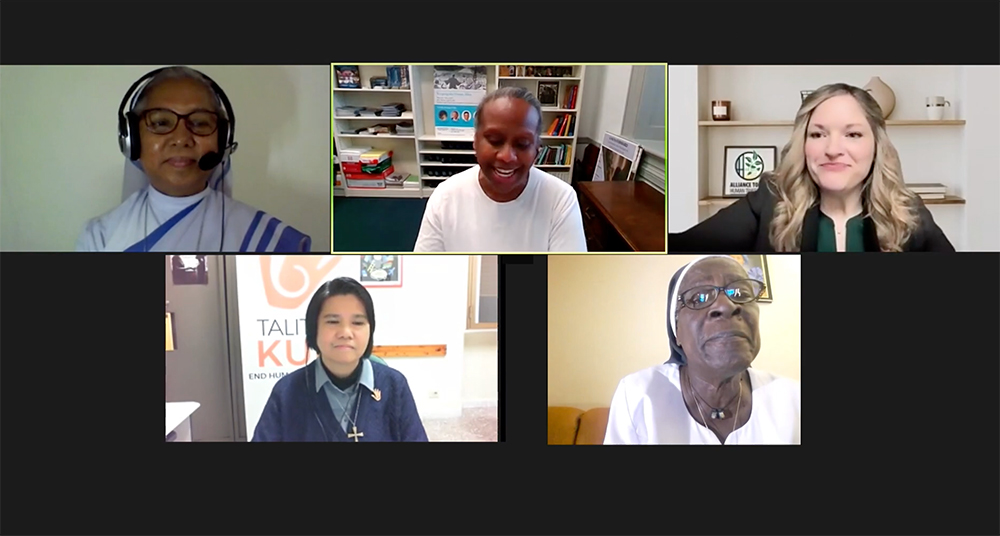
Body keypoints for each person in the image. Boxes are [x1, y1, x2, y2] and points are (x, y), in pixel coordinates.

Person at [668, 83, 954, 252]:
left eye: (852, 134)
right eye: (817, 134)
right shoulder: (770, 199)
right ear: (803, 145)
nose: (832, 149)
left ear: (877, 145)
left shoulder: (908, 211)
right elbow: (677, 249)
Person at [76, 66, 311, 252]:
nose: (181, 139)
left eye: (199, 123)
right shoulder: (100, 236)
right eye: (160, 123)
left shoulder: (267, 239)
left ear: (223, 140)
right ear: (132, 139)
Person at [605, 256, 800, 444]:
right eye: (699, 297)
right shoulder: (638, 394)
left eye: (740, 293)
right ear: (677, 331)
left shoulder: (792, 397)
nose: (726, 305)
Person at [253, 277, 428, 442]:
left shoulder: (394, 385)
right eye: (332, 321)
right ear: (314, 329)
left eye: (357, 323)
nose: (345, 333)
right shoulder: (287, 391)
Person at [413, 87, 587, 252]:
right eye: (495, 140)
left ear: (537, 150)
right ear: (475, 141)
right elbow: (425, 273)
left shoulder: (560, 199)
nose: (507, 156)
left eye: (522, 144)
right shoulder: (445, 197)